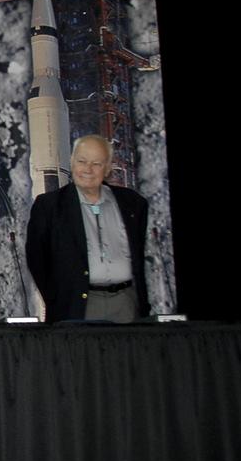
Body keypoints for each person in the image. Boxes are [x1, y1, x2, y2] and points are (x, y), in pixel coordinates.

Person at [26, 134, 150, 322]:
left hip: (126, 304)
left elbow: (139, 253)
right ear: (72, 161)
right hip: (77, 308)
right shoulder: (49, 207)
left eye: (96, 164)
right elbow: (37, 260)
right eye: (82, 161)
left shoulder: (133, 204)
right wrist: (58, 299)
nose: (88, 170)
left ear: (108, 167)